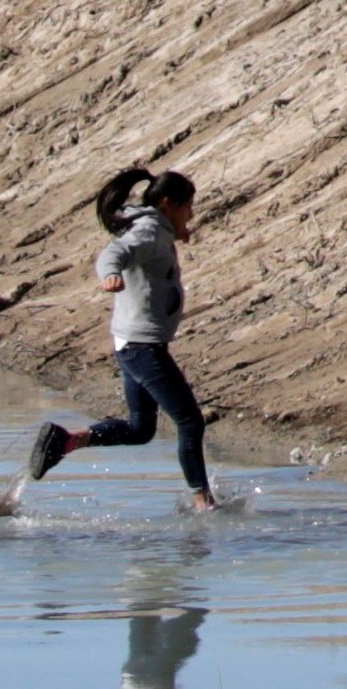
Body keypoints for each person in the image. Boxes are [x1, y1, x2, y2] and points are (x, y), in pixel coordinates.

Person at [22, 167, 216, 512]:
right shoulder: (150, 230)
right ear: (169, 204)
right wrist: (110, 275)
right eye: (189, 206)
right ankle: (204, 502)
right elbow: (112, 254)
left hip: (134, 344)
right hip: (142, 347)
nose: (192, 213)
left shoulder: (157, 228)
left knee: (141, 429)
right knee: (190, 421)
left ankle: (65, 441)